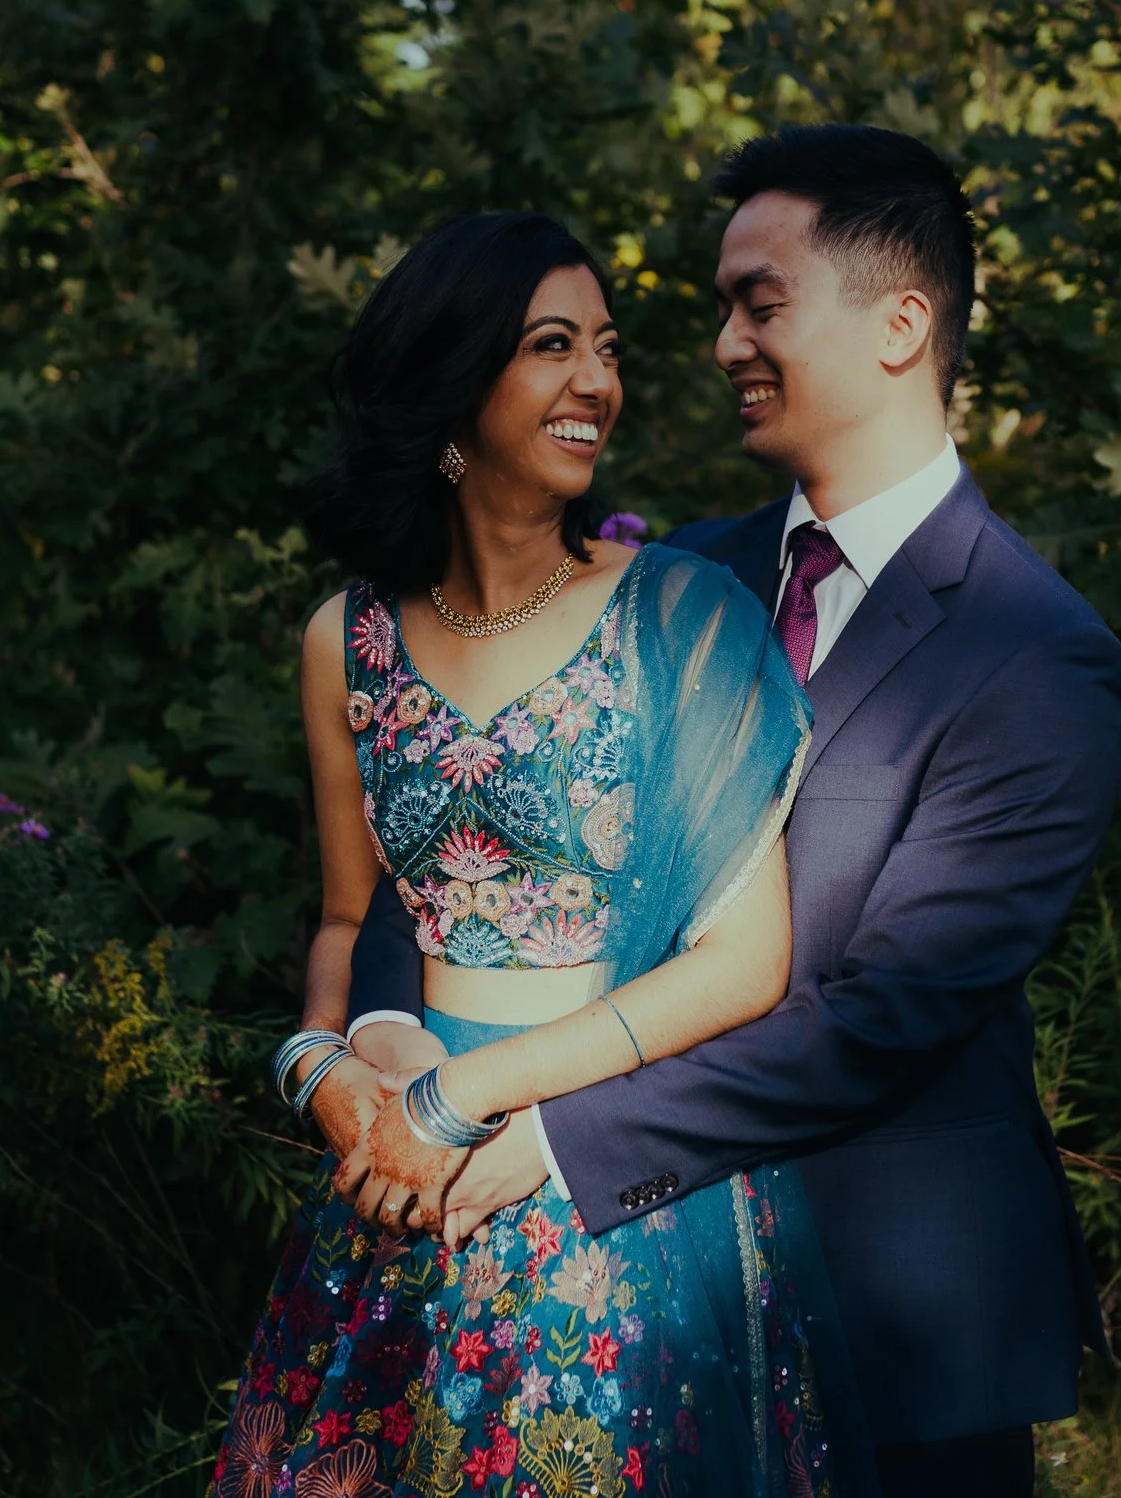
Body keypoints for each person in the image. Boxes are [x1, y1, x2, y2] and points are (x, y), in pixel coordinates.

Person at [345, 127, 1121, 1498]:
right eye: (721, 307)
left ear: (901, 325)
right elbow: (449, 839)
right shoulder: (662, 586)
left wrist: (551, 1140)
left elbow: (879, 1016)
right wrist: (377, 1052)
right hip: (619, 1297)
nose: (722, 343)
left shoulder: (1032, 652)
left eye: (760, 302)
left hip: (896, 1315)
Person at [211, 210, 865, 1498]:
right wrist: (319, 1065)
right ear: (456, 392)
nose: (597, 383)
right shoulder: (346, 641)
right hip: (400, 1172)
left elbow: (746, 964)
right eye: (550, 347)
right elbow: (350, 920)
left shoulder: (681, 618)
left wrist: (473, 1098)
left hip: (605, 1168)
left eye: (606, 349)